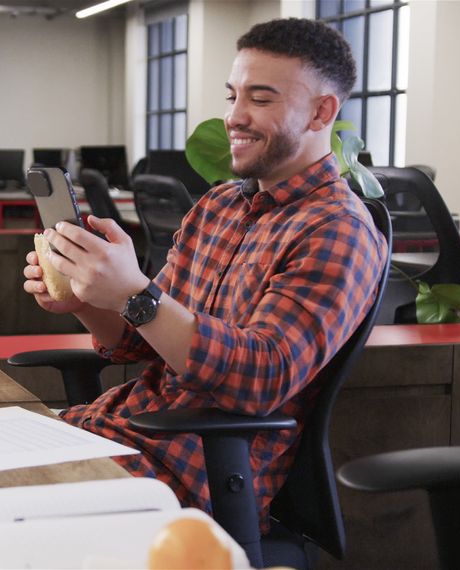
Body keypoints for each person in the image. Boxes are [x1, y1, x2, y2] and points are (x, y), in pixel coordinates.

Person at [22, 18, 388, 536]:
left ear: (322, 111)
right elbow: (140, 343)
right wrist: (86, 298)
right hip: (117, 432)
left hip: (190, 472)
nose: (234, 117)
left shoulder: (338, 230)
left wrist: (134, 291)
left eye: (260, 100)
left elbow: (262, 378)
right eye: (233, 96)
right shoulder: (218, 206)